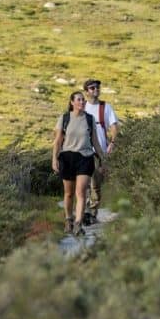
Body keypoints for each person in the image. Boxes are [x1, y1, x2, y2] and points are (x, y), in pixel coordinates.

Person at [52, 91, 105, 236]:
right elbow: (57, 142)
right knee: (68, 194)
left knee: (80, 192)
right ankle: (68, 220)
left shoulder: (89, 119)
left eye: (83, 100)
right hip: (67, 158)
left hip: (85, 157)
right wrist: (54, 159)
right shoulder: (64, 118)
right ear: (72, 102)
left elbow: (95, 141)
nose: (82, 102)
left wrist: (102, 159)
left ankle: (78, 224)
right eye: (79, 100)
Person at [83, 78, 119, 224]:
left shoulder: (106, 107)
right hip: (83, 151)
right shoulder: (82, 106)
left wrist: (112, 143)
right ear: (86, 91)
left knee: (96, 184)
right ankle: (84, 212)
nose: (96, 90)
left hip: (100, 151)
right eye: (92, 88)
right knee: (84, 183)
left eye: (97, 87)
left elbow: (114, 127)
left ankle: (93, 212)